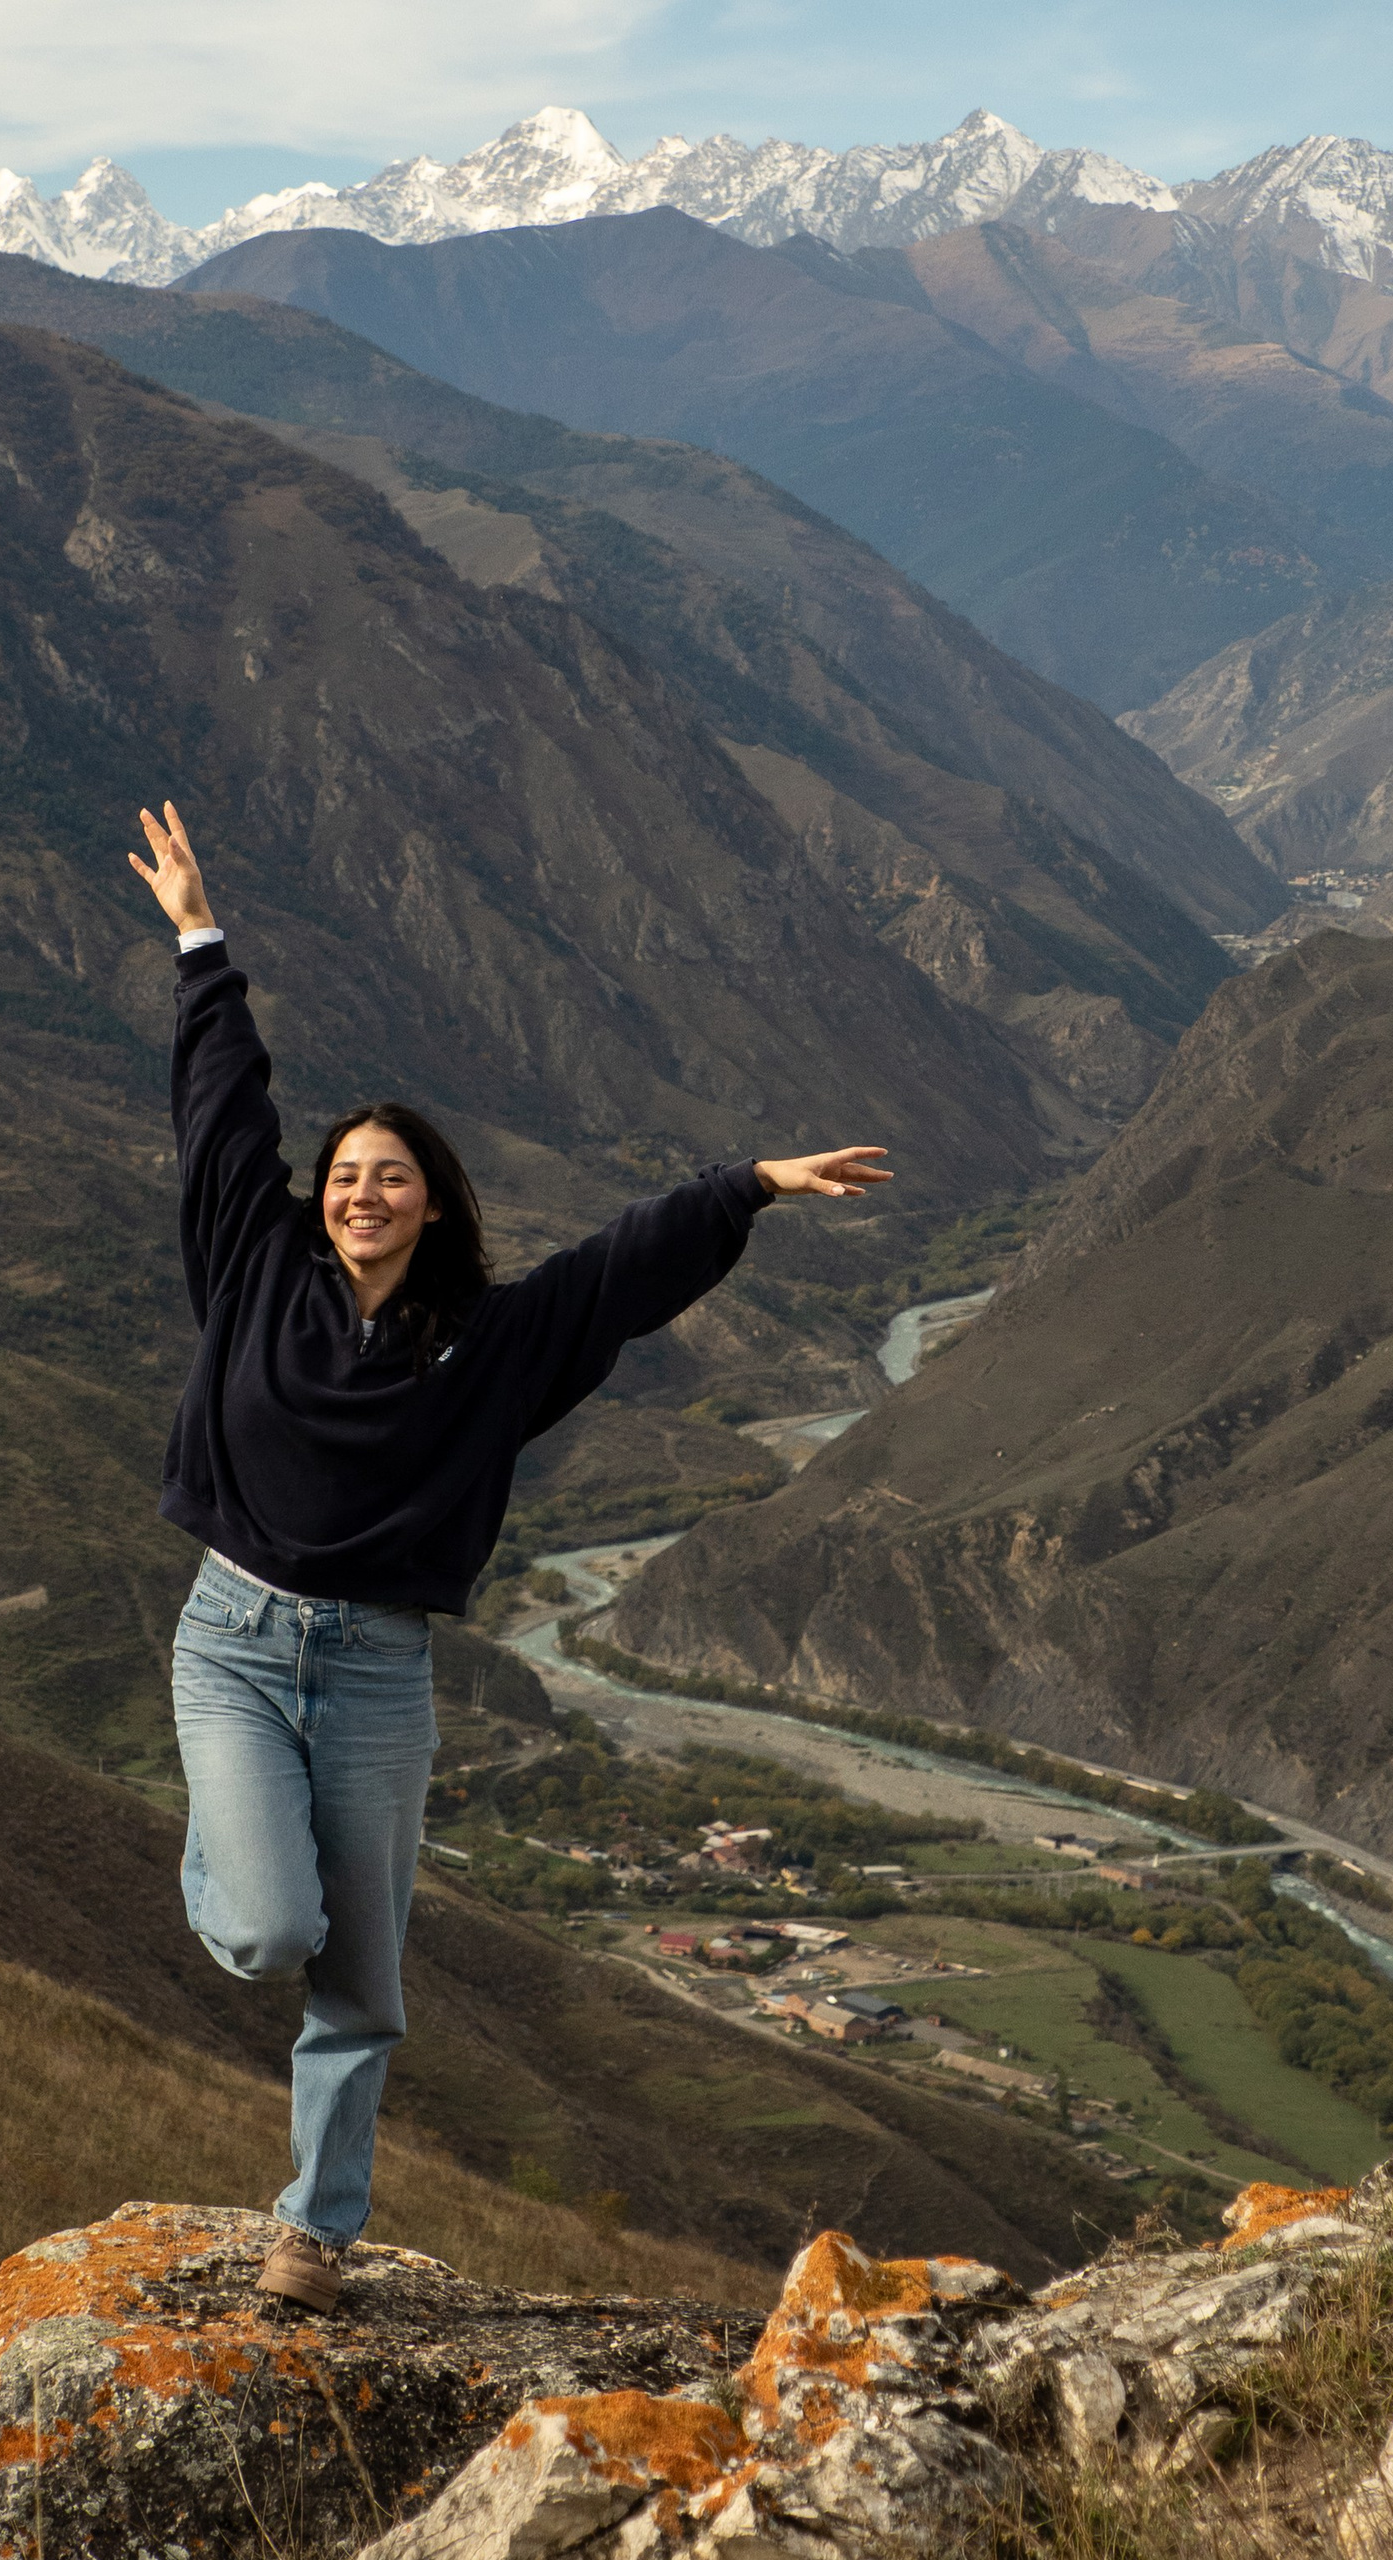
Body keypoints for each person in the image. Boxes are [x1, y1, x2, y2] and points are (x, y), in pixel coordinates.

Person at [127, 801, 892, 2313]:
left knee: (362, 1981)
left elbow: (616, 1273)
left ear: (434, 1203)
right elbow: (224, 1112)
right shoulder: (253, 1267)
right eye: (346, 1173)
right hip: (234, 1640)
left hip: (377, 1673)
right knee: (271, 1926)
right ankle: (226, 1846)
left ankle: (314, 2231)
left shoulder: (487, 1343)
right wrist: (201, 940)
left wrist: (749, 1184)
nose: (362, 1192)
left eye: (393, 1177)